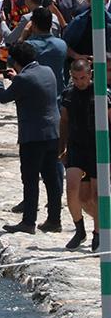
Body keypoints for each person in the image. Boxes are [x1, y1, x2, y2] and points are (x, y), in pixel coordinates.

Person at [0, 41, 64, 235]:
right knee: (52, 179)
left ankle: (28, 222)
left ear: (15, 61)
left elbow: (3, 97)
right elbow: (33, 87)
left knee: (30, 179)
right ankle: (54, 220)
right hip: (53, 133)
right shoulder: (47, 71)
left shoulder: (23, 80)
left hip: (33, 137)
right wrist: (18, 78)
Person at [59, 59, 101, 251]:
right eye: (75, 78)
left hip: (97, 147)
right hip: (76, 146)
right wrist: (62, 146)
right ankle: (79, 229)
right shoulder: (68, 94)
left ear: (90, 74)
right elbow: (65, 120)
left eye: (83, 77)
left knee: (94, 195)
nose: (80, 82)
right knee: (72, 190)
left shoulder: (100, 92)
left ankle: (98, 233)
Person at [24, 8, 68, 94]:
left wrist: (23, 35)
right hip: (57, 96)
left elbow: (12, 59)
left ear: (33, 25)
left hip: (34, 96)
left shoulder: (28, 46)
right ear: (51, 24)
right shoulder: (62, 45)